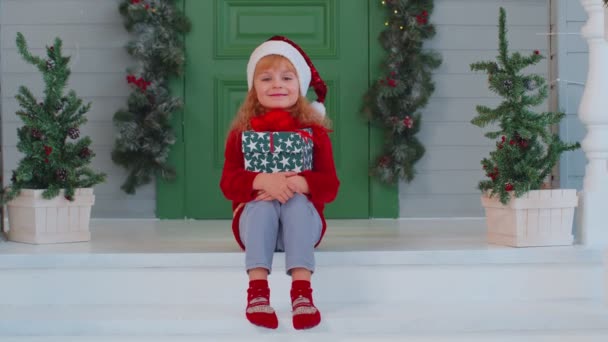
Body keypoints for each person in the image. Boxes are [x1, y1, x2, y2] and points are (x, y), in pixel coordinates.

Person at [219, 36, 340, 330]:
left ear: (299, 86)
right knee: (262, 204)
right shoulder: (241, 133)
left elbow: (330, 185)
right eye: (266, 78)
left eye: (287, 77)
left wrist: (302, 182)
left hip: (302, 228)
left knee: (296, 202)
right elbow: (228, 183)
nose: (277, 84)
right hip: (257, 228)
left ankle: (302, 294)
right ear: (253, 88)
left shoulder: (315, 133)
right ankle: (257, 293)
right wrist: (261, 180)